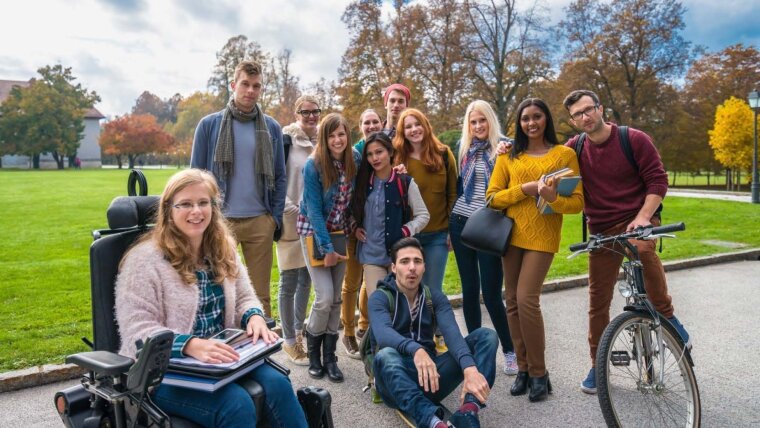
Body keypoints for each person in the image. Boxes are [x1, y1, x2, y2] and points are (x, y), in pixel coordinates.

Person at [115, 169, 306, 427]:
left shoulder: (222, 245)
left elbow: (244, 297)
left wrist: (254, 316)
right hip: (164, 372)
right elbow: (137, 330)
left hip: (221, 357)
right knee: (236, 404)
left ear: (213, 207)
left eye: (203, 202)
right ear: (169, 210)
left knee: (279, 384)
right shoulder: (144, 261)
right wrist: (189, 345)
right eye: (185, 204)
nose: (197, 211)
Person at [562, 89, 691, 395]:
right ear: (572, 119)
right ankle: (597, 364)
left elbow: (658, 180)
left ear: (600, 108)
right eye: (577, 114)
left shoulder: (633, 139)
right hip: (602, 230)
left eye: (588, 109)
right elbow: (543, 159)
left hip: (638, 219)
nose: (585, 117)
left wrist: (644, 216)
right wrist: (507, 146)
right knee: (597, 301)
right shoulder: (574, 148)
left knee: (645, 251)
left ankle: (668, 316)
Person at [486, 98, 584, 402]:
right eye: (526, 118)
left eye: (537, 117)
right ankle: (524, 369)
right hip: (510, 238)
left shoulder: (564, 155)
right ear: (519, 123)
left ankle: (541, 373)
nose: (531, 123)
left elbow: (578, 203)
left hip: (542, 238)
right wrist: (525, 190)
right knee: (512, 301)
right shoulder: (509, 156)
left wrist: (552, 198)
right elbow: (492, 198)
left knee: (527, 300)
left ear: (546, 119)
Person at [191, 60, 287, 318]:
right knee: (219, 292)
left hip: (259, 222)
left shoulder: (271, 128)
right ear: (233, 85)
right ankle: (223, 352)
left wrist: (273, 219)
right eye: (245, 84)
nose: (250, 91)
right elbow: (194, 178)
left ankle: (260, 352)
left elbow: (279, 177)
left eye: (256, 86)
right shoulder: (209, 126)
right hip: (220, 223)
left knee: (260, 295)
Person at [370, 237, 498, 428]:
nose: (412, 267)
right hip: (393, 382)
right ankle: (433, 422)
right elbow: (383, 334)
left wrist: (470, 368)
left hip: (432, 378)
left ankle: (468, 410)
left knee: (486, 336)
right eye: (405, 261)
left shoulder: (434, 298)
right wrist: (416, 350)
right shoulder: (380, 298)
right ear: (394, 268)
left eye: (417, 261)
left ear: (424, 267)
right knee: (386, 355)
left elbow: (452, 335)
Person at [450, 100, 517, 376]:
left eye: (482, 120)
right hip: (461, 223)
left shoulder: (505, 147)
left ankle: (509, 351)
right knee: (469, 290)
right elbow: (458, 187)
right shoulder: (463, 148)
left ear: (490, 121)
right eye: (473, 121)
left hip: (489, 224)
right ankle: (477, 349)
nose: (478, 126)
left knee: (491, 294)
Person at [299, 112, 361, 382]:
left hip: (341, 234)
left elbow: (354, 199)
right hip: (315, 235)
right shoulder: (313, 165)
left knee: (336, 298)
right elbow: (313, 210)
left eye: (341, 134)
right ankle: (313, 355)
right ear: (324, 138)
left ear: (348, 135)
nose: (337, 140)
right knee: (324, 296)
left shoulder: (354, 160)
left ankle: (330, 357)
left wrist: (355, 224)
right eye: (332, 135)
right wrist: (326, 249)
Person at [352, 132, 430, 341]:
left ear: (390, 152)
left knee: (402, 307)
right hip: (371, 254)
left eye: (379, 152)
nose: (375, 158)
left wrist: (405, 231)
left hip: (398, 256)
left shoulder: (404, 182)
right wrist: (354, 226)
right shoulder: (362, 182)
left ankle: (405, 352)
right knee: (379, 308)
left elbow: (424, 215)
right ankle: (379, 360)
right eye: (370, 154)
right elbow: (351, 210)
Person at [393, 108, 457, 353]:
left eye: (417, 124)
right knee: (410, 287)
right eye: (408, 127)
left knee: (433, 289)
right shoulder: (398, 156)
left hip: (439, 233)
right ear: (402, 131)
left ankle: (436, 335)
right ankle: (413, 338)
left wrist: (452, 229)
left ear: (425, 125)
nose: (413, 130)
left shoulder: (442, 153)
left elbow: (453, 193)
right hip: (410, 236)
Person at [276, 95, 320, 365]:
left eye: (315, 111)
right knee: (288, 281)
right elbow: (277, 180)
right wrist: (290, 207)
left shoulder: (321, 142)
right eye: (305, 112)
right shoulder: (286, 141)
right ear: (296, 113)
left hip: (313, 220)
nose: (311, 116)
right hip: (290, 216)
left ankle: (298, 333)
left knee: (306, 279)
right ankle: (288, 340)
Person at [341, 108, 385, 357]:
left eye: (375, 121)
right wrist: (354, 224)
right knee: (352, 282)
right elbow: (346, 193)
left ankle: (364, 326)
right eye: (366, 122)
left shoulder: (384, 148)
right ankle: (347, 333)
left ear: (381, 122)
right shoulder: (355, 154)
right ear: (361, 126)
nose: (371, 125)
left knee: (372, 279)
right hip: (354, 226)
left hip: (377, 228)